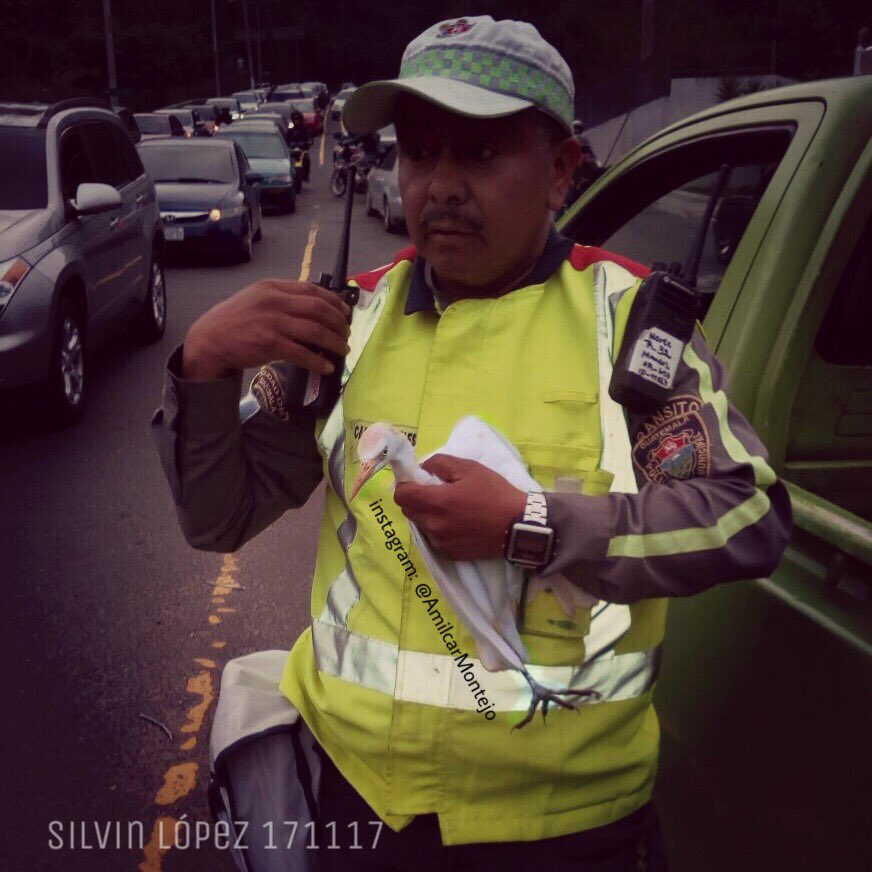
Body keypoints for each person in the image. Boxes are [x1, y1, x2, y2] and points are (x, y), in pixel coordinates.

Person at [151, 14, 791, 871]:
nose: (441, 186)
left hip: (565, 831)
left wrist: (532, 524)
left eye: (481, 154)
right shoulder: (348, 326)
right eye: (420, 153)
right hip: (356, 811)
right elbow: (218, 519)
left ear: (562, 169)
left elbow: (745, 515)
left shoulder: (628, 321)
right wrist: (201, 368)